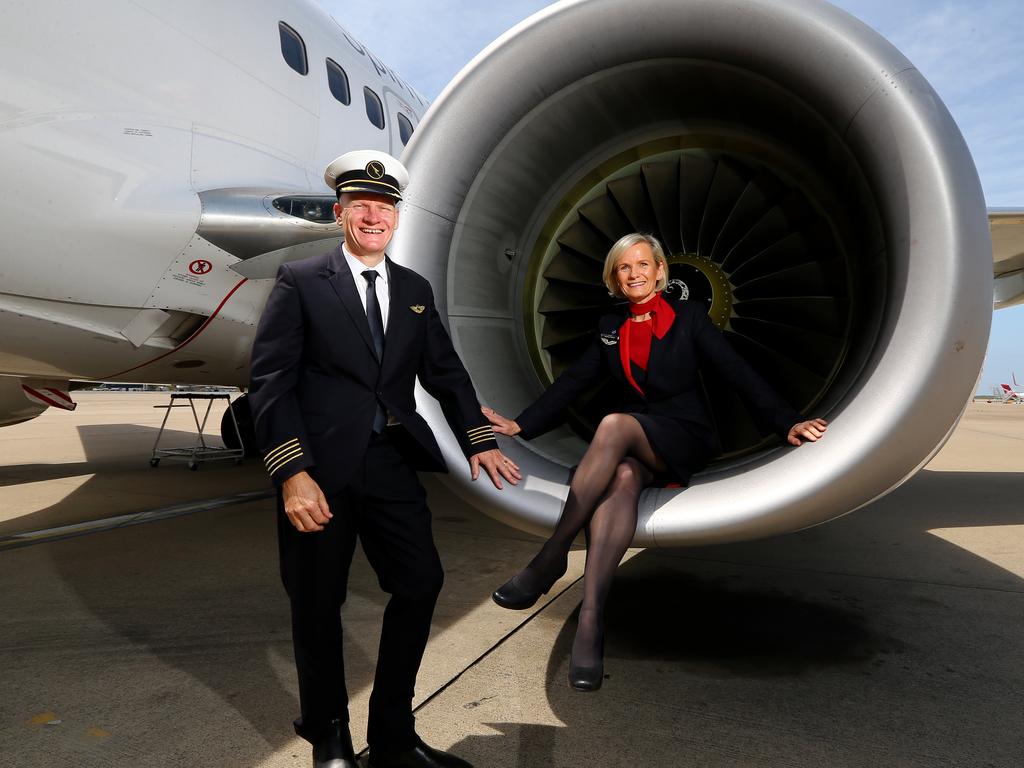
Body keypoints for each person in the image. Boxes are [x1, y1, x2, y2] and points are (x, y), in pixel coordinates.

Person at [249, 150, 520, 768]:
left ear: (395, 217)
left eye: (386, 206)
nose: (375, 216)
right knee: (317, 602)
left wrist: (477, 436)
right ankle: (329, 735)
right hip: (318, 469)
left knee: (421, 583)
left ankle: (393, 735)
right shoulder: (302, 282)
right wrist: (292, 474)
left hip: (391, 459)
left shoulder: (414, 291)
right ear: (340, 213)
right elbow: (270, 383)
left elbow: (446, 374)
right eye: (363, 206)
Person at [485, 232, 827, 692]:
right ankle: (591, 621)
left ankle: (551, 555)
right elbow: (574, 383)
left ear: (661, 271)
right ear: (614, 278)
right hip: (637, 442)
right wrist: (520, 426)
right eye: (625, 268)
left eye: (643, 265)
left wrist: (785, 421)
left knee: (612, 425)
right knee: (623, 477)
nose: (635, 274)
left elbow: (735, 370)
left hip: (684, 434)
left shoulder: (689, 319)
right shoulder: (609, 325)